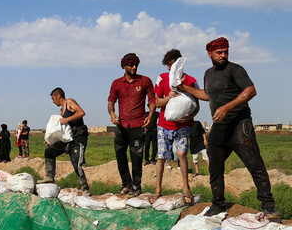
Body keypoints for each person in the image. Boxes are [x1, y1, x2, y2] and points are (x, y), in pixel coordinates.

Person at [177, 37, 278, 218]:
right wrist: (185, 88)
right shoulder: (208, 73)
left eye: (226, 52)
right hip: (219, 127)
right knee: (215, 165)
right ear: (210, 54)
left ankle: (269, 206)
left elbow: (250, 91)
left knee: (255, 165)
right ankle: (218, 205)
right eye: (219, 52)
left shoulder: (235, 70)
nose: (223, 55)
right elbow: (208, 95)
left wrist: (227, 107)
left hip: (240, 125)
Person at [151, 49, 199, 205]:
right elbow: (156, 103)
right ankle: (158, 190)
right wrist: (168, 97)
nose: (170, 68)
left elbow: (196, 106)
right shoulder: (162, 79)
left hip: (183, 126)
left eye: (173, 64)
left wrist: (189, 117)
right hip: (164, 125)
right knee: (161, 157)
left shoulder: (191, 81)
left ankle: (186, 188)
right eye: (168, 65)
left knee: (182, 153)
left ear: (180, 64)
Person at [108, 53, 156, 195]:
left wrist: (151, 115)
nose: (134, 67)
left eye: (136, 64)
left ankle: (136, 186)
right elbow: (111, 102)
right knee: (120, 154)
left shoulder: (145, 81)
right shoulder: (116, 83)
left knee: (136, 156)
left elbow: (152, 101)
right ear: (124, 66)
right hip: (122, 126)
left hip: (137, 125)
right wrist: (112, 113)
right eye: (131, 65)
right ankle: (126, 184)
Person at [40, 87, 90, 193]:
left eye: (53, 99)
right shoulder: (61, 111)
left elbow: (81, 112)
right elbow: (64, 130)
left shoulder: (69, 102)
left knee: (76, 163)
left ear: (59, 96)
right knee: (49, 151)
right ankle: (49, 177)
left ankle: (85, 188)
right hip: (69, 139)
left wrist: (67, 119)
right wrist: (51, 140)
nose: (53, 101)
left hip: (78, 138)